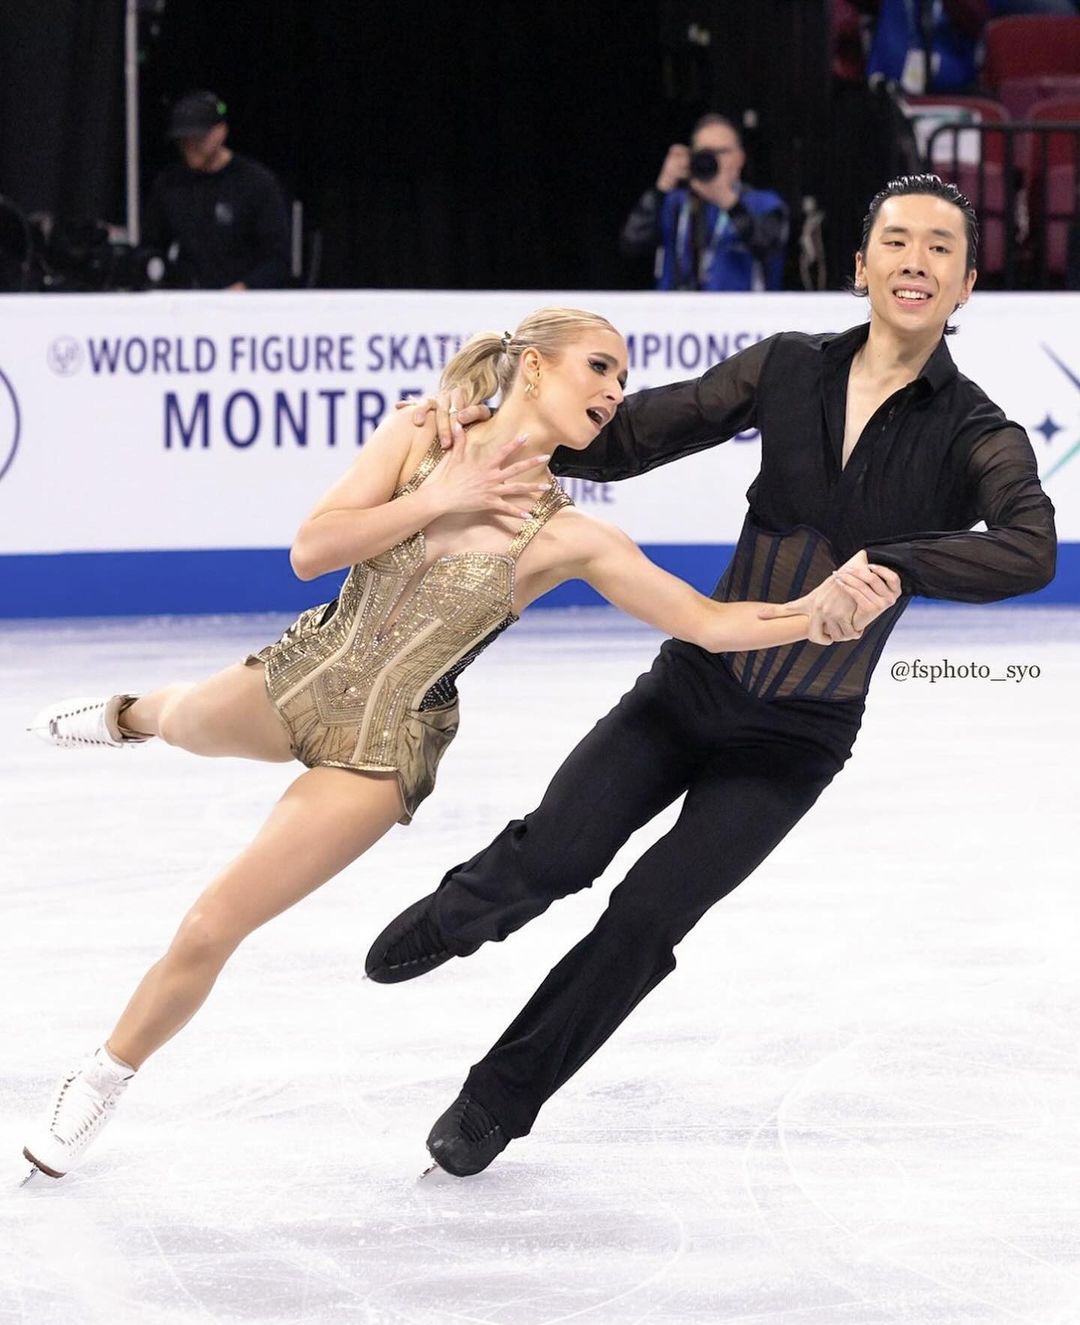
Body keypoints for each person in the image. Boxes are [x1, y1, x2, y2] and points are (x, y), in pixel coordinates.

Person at [20, 307, 899, 1181]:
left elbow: (705, 621)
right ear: (534, 366)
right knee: (178, 719)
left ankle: (102, 1075)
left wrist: (811, 616)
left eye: (624, 379)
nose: (615, 392)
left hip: (379, 749)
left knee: (213, 923)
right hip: (299, 674)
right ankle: (125, 716)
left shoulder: (572, 536)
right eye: (599, 367)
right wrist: (442, 495)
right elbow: (310, 551)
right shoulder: (420, 435)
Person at [365, 176, 1057, 1179]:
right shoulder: (788, 367)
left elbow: (1032, 547)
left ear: (967, 285)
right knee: (559, 853)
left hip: (797, 737)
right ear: (859, 266)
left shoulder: (979, 432)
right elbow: (633, 432)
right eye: (896, 241)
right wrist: (490, 429)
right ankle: (469, 906)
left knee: (647, 916)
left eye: (940, 248)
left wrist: (899, 563)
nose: (916, 260)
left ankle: (497, 1099)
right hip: (690, 687)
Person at [618, 112, 788, 292]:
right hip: (676, 307)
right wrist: (663, 186)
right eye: (705, 153)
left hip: (740, 308)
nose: (713, 160)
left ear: (740, 158)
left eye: (721, 152)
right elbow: (632, 243)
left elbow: (770, 247)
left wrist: (728, 201)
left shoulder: (763, 203)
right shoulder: (675, 203)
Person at [142, 89, 290, 291]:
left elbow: (278, 260)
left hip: (243, 301)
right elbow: (152, 246)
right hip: (188, 300)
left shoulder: (256, 183)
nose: (190, 147)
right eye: (184, 140)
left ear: (220, 132)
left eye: (198, 139)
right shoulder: (169, 184)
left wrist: (241, 289)